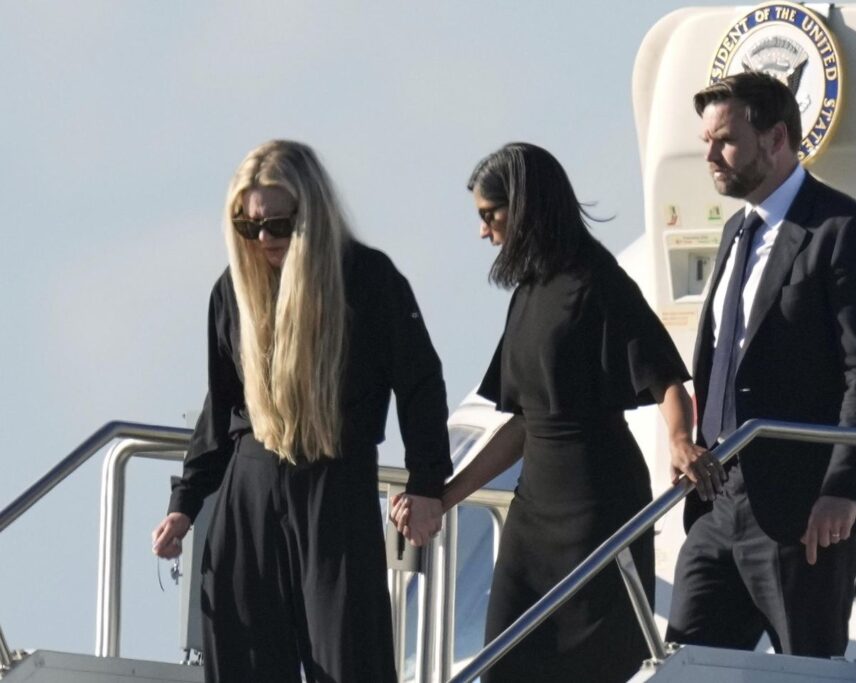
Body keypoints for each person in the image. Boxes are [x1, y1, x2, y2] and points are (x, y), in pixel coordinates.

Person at [393, 142, 720, 682]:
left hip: (598, 508)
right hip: (534, 517)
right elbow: (523, 423)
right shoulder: (527, 292)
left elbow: (666, 379)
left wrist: (681, 439)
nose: (483, 231)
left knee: (593, 667)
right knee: (505, 664)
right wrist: (446, 499)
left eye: (490, 215)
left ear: (523, 207)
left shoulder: (598, 281)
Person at [150, 140, 452, 683]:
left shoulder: (369, 279)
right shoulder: (232, 291)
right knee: (244, 661)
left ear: (311, 213)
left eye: (278, 224)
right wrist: (185, 503)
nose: (264, 238)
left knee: (349, 660)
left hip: (334, 486)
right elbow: (222, 406)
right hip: (250, 488)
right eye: (248, 226)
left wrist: (427, 484)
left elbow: (420, 385)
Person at [665, 72, 856, 657]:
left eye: (725, 141)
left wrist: (843, 490)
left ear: (776, 139)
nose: (710, 157)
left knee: (806, 667)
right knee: (688, 663)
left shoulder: (841, 230)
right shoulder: (736, 232)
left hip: (805, 509)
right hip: (720, 501)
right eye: (706, 142)